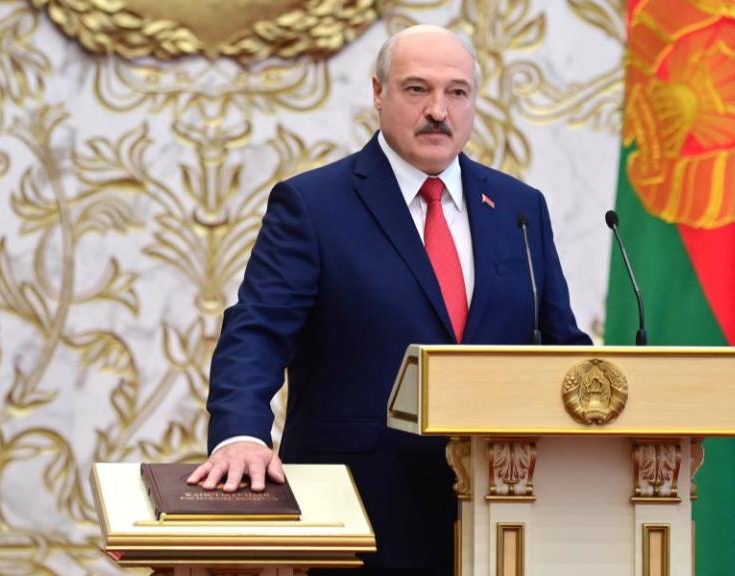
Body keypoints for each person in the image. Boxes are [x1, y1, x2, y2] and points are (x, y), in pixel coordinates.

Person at [187, 24, 591, 575]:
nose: (438, 111)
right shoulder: (314, 205)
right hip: (360, 511)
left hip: (505, 515)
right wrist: (240, 435)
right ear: (378, 92)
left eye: (457, 92)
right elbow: (256, 331)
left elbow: (561, 345)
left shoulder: (520, 208)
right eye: (417, 89)